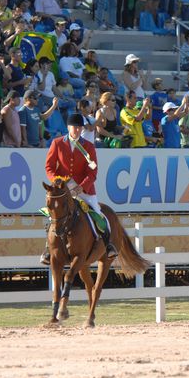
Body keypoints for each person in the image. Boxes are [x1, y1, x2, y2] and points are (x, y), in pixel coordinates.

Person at [41, 113, 117, 265]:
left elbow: (93, 171)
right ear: (68, 128)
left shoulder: (88, 147)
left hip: (84, 191)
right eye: (74, 127)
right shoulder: (57, 143)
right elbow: (49, 167)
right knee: (53, 217)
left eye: (79, 128)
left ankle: (108, 245)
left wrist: (81, 187)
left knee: (99, 214)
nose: (76, 130)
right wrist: (58, 181)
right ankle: (48, 250)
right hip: (62, 189)